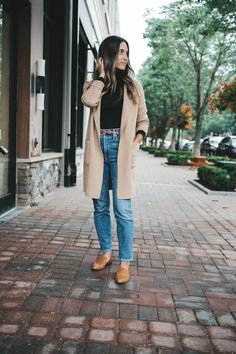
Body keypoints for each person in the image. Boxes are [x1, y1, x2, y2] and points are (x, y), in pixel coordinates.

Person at [81, 35, 149, 284]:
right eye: (120, 51)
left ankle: (125, 261)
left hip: (122, 148)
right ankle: (106, 252)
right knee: (100, 206)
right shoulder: (93, 85)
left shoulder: (133, 85)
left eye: (127, 52)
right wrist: (100, 77)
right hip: (99, 148)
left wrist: (135, 142)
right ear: (108, 54)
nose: (125, 56)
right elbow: (88, 101)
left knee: (123, 209)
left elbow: (143, 119)